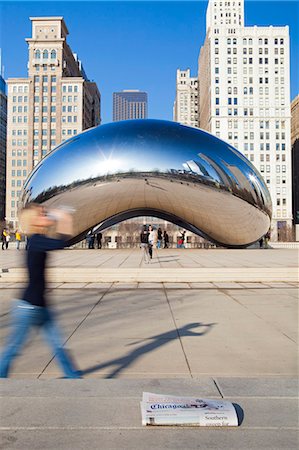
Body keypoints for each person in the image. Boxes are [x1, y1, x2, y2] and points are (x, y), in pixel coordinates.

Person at [0, 203, 81, 379]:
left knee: (57, 344)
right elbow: (63, 241)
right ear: (34, 221)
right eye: (42, 214)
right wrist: (64, 218)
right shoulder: (36, 240)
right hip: (28, 307)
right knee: (14, 347)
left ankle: (73, 377)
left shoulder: (37, 240)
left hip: (40, 305)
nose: (47, 216)